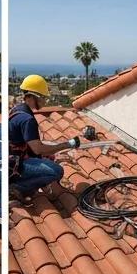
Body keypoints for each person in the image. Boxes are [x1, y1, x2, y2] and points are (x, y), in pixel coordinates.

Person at [8, 74, 82, 202]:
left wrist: (47, 155)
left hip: (12, 159)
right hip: (15, 166)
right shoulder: (27, 119)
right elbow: (38, 149)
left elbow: (29, 146)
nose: (45, 101)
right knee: (56, 171)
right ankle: (19, 187)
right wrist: (66, 145)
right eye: (43, 97)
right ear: (32, 96)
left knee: (48, 158)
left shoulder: (17, 110)